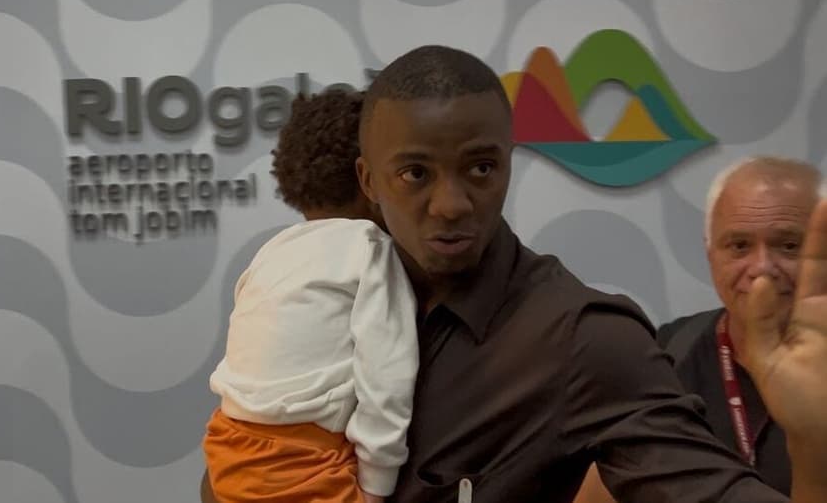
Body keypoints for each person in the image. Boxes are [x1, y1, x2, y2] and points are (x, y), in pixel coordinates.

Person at [203, 45, 827, 502]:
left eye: (479, 169)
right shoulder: (313, 290)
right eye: (415, 174)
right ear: (370, 181)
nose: (450, 203)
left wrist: (814, 445)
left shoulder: (583, 338)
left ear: (507, 164)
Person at [203, 90, 419, 502]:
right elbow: (388, 378)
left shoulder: (272, 251)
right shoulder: (370, 247)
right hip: (302, 465)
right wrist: (376, 486)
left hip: (228, 449)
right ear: (369, 178)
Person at [572, 156, 825, 503]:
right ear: (710, 253)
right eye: (739, 245)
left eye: (789, 245)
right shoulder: (665, 355)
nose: (763, 268)